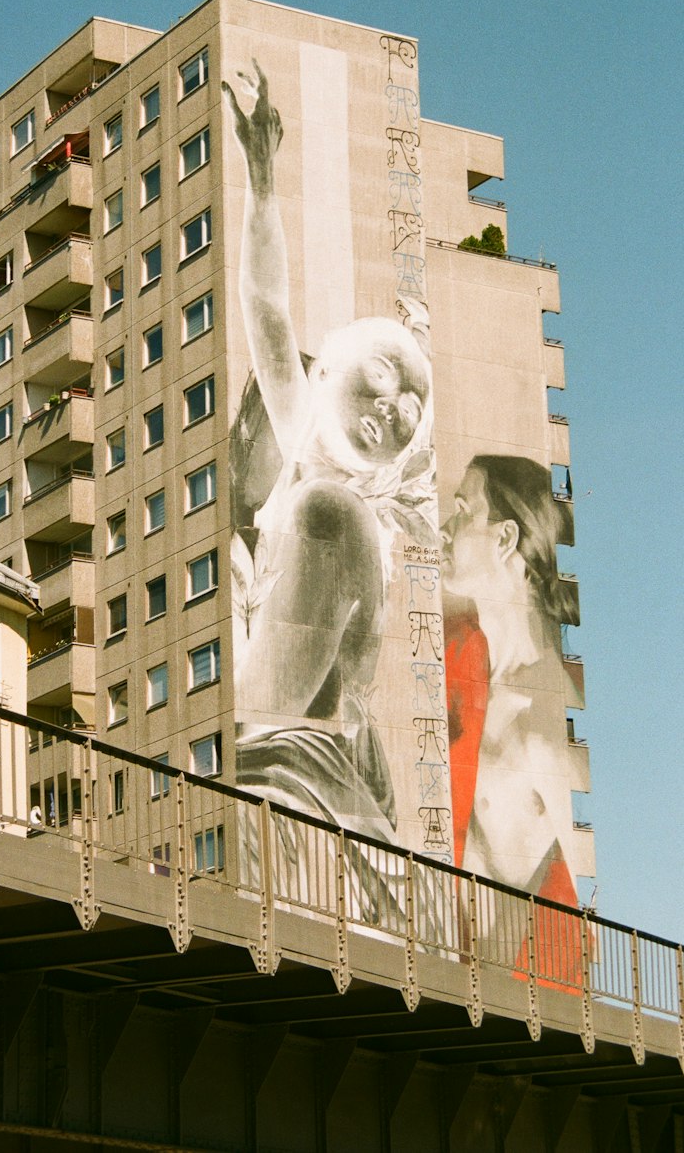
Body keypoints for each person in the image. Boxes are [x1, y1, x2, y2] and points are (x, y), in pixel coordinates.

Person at [222, 62, 435, 842]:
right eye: (384, 381)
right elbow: (267, 310)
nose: (390, 405)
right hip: (307, 762)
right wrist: (263, 178)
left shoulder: (335, 511)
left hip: (302, 761)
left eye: (405, 410)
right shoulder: (307, 464)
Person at [441, 455, 580, 906]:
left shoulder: (545, 723)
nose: (444, 527)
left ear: (505, 538)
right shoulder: (467, 671)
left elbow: (585, 905)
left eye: (463, 511)